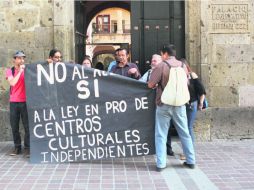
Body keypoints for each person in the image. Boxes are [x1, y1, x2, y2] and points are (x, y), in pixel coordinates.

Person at [148, 44, 195, 171]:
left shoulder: (162, 65)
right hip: (180, 104)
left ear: (164, 54)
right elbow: (187, 83)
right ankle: (191, 161)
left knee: (161, 134)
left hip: (164, 104)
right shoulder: (183, 65)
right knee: (184, 132)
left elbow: (150, 84)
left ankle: (161, 164)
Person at [5, 51, 30, 158]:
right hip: (14, 102)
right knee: (14, 126)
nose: (21, 60)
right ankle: (17, 147)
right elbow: (12, 83)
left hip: (25, 101)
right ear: (14, 59)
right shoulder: (9, 71)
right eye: (19, 58)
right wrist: (19, 72)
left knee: (27, 126)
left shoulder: (27, 70)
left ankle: (28, 148)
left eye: (23, 58)